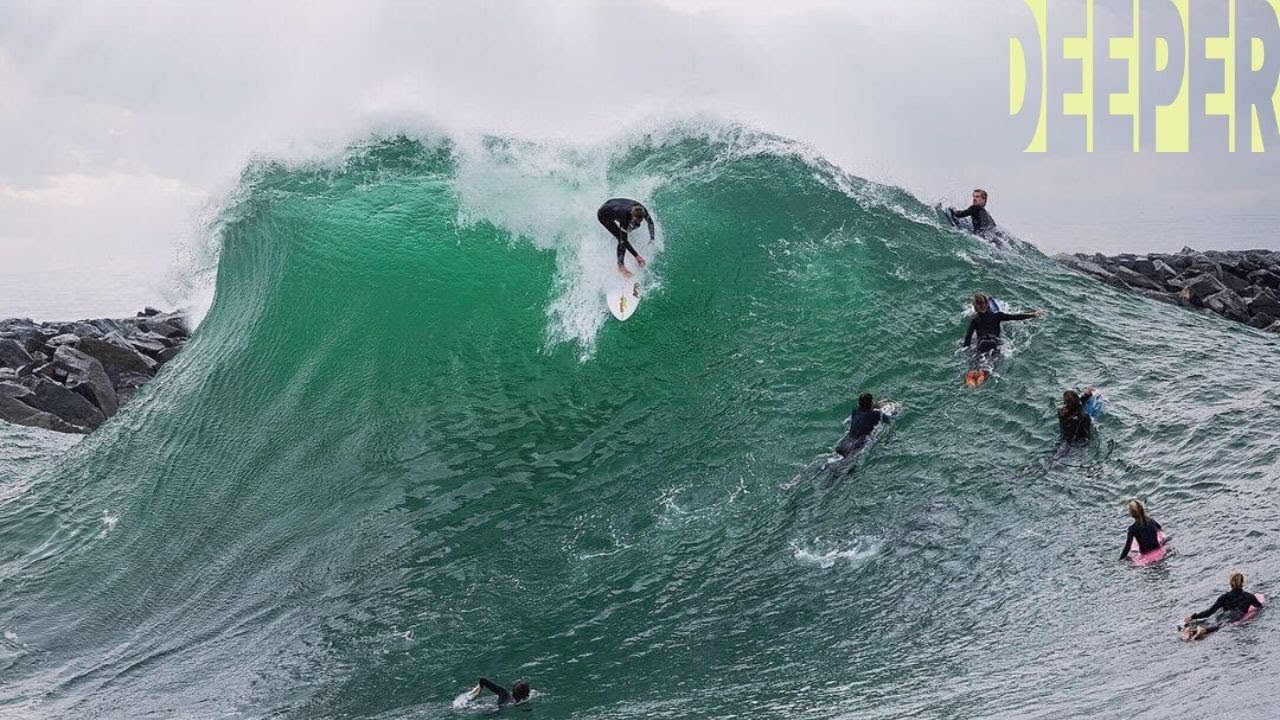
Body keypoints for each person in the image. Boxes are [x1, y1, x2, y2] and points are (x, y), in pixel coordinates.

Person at [961, 294, 1044, 385]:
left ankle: (971, 378)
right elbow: (1015, 317)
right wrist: (1033, 315)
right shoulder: (998, 315)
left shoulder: (975, 319)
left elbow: (968, 337)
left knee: (975, 364)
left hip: (981, 343)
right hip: (993, 342)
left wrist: (965, 351)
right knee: (988, 365)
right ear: (988, 304)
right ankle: (982, 375)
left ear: (976, 307)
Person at [1180, 572, 1263, 641]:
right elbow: (1259, 606)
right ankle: (1203, 630)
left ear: (1230, 583)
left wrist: (1193, 617)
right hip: (1235, 615)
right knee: (1220, 627)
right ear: (1242, 583)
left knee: (1217, 624)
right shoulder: (1249, 596)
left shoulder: (1224, 597)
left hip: (1222, 615)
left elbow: (1209, 612)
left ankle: (1192, 631)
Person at [597, 198, 654, 277]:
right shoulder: (624, 217)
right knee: (620, 238)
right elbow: (624, 241)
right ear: (631, 215)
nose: (639, 221)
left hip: (612, 203)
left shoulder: (642, 210)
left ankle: (622, 231)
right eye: (636, 220)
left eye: (641, 220)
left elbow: (650, 222)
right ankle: (620, 265)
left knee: (635, 226)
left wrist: (652, 238)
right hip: (603, 215)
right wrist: (637, 256)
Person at [835, 392, 892, 457]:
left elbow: (866, 409)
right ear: (870, 403)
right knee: (847, 463)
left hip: (845, 441)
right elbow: (889, 419)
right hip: (857, 443)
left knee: (835, 458)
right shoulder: (875, 414)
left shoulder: (855, 410)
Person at [466, 677, 531, 707]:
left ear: (513, 689)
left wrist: (478, 692)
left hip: (468, 706)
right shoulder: (518, 702)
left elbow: (482, 680)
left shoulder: (505, 693)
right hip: (493, 713)